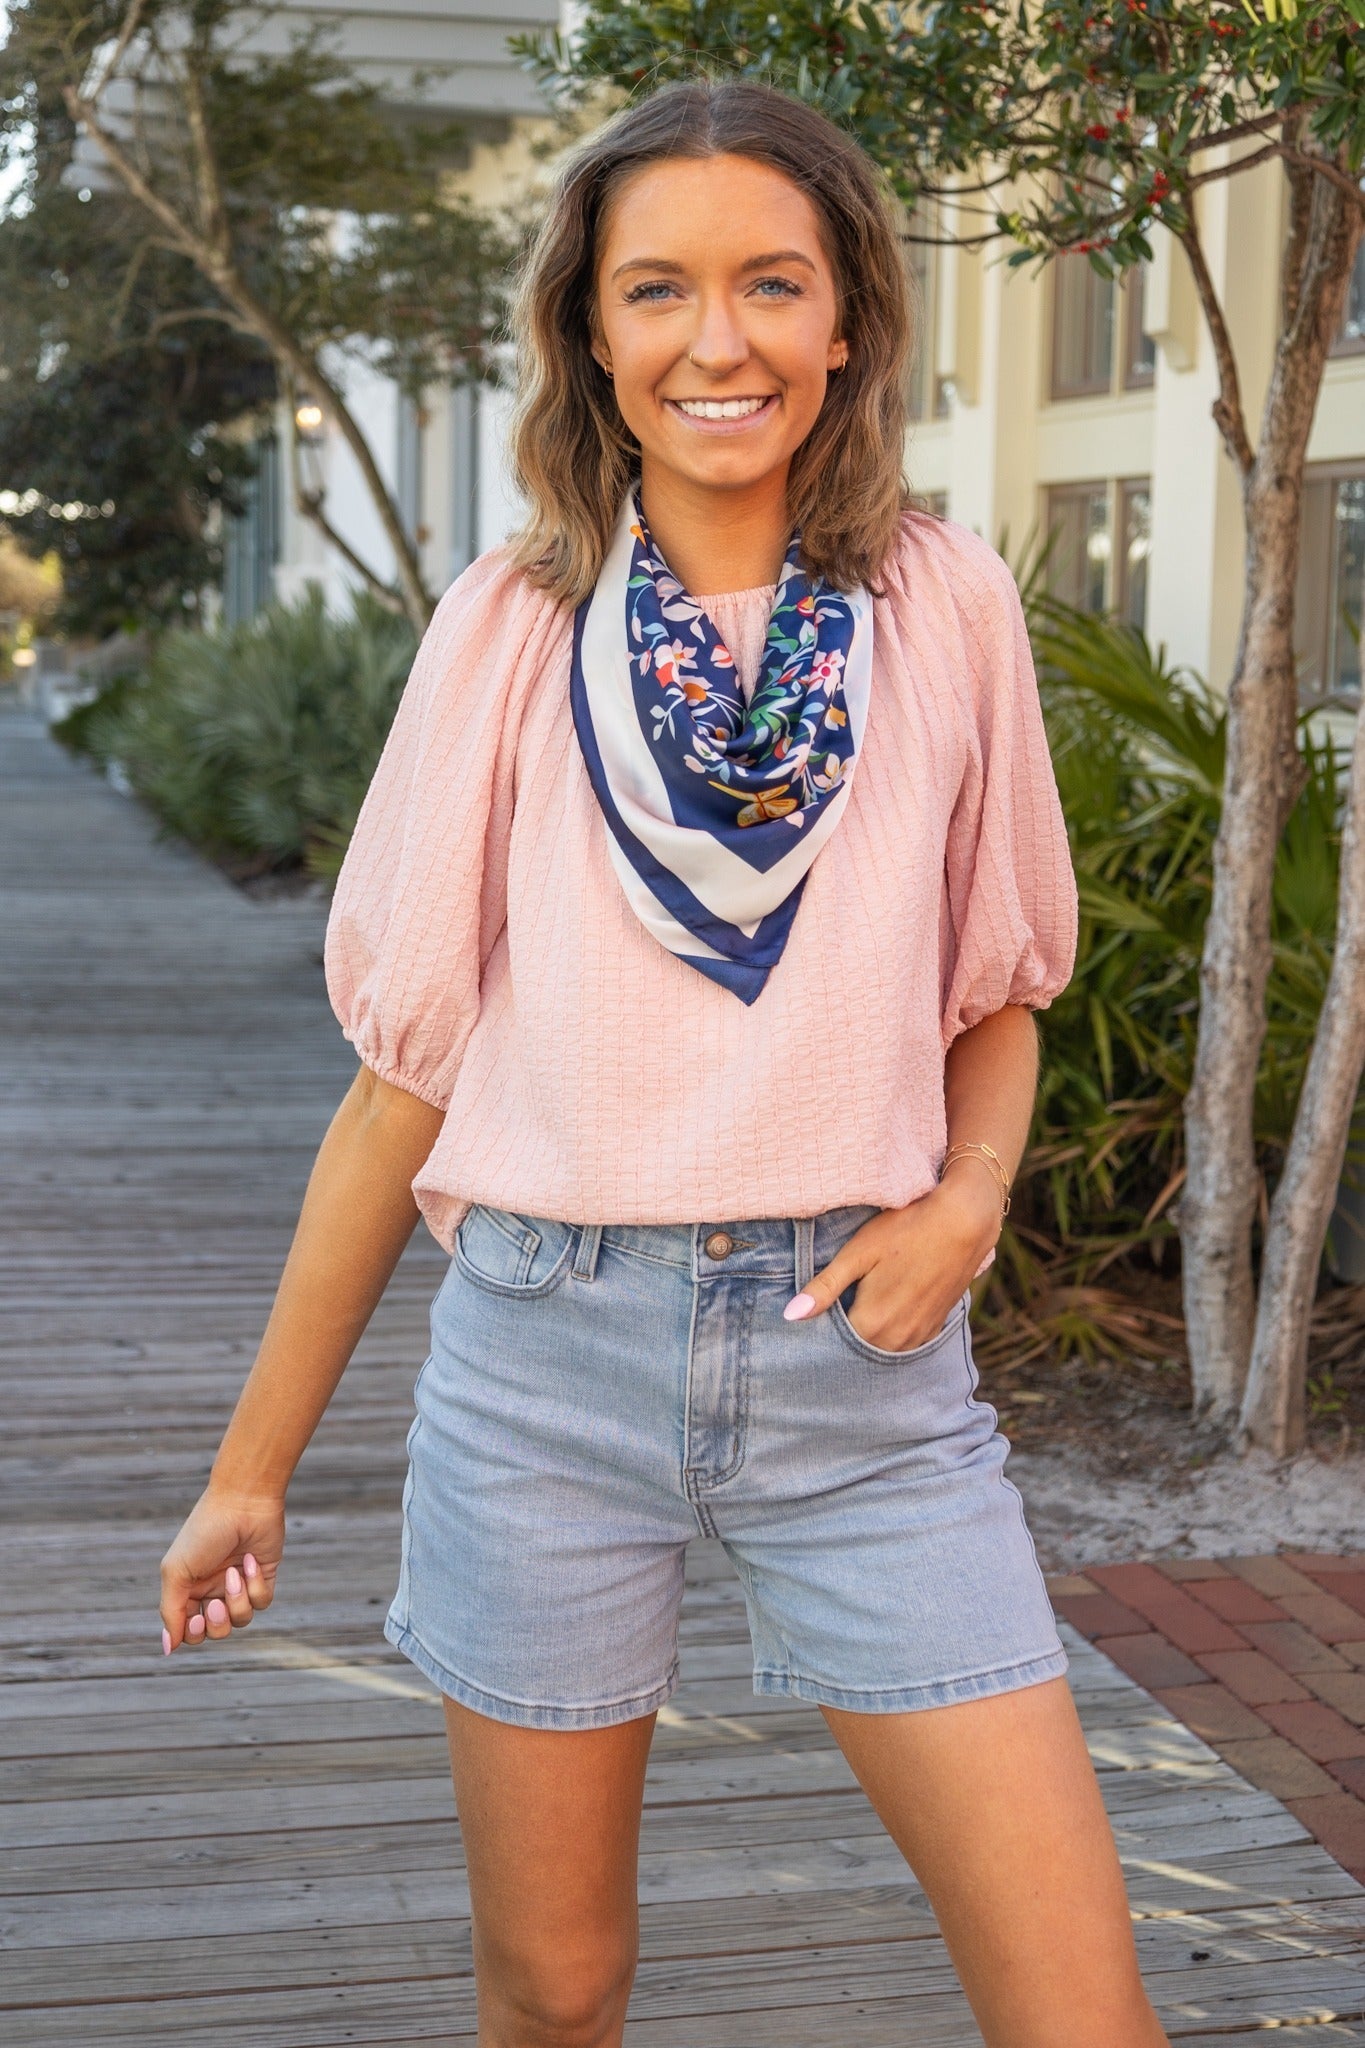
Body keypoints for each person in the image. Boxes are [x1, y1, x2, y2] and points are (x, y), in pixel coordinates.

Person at [159, 78, 1168, 2048]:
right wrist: (246, 1475)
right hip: (543, 1357)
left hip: (863, 1376)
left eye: (771, 284)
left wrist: (967, 1198)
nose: (720, 339)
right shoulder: (508, 630)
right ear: (590, 337)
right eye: (659, 291)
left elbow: (995, 985)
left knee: (1079, 2014)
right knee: (555, 1990)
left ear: (846, 321)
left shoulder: (938, 608)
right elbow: (399, 1084)